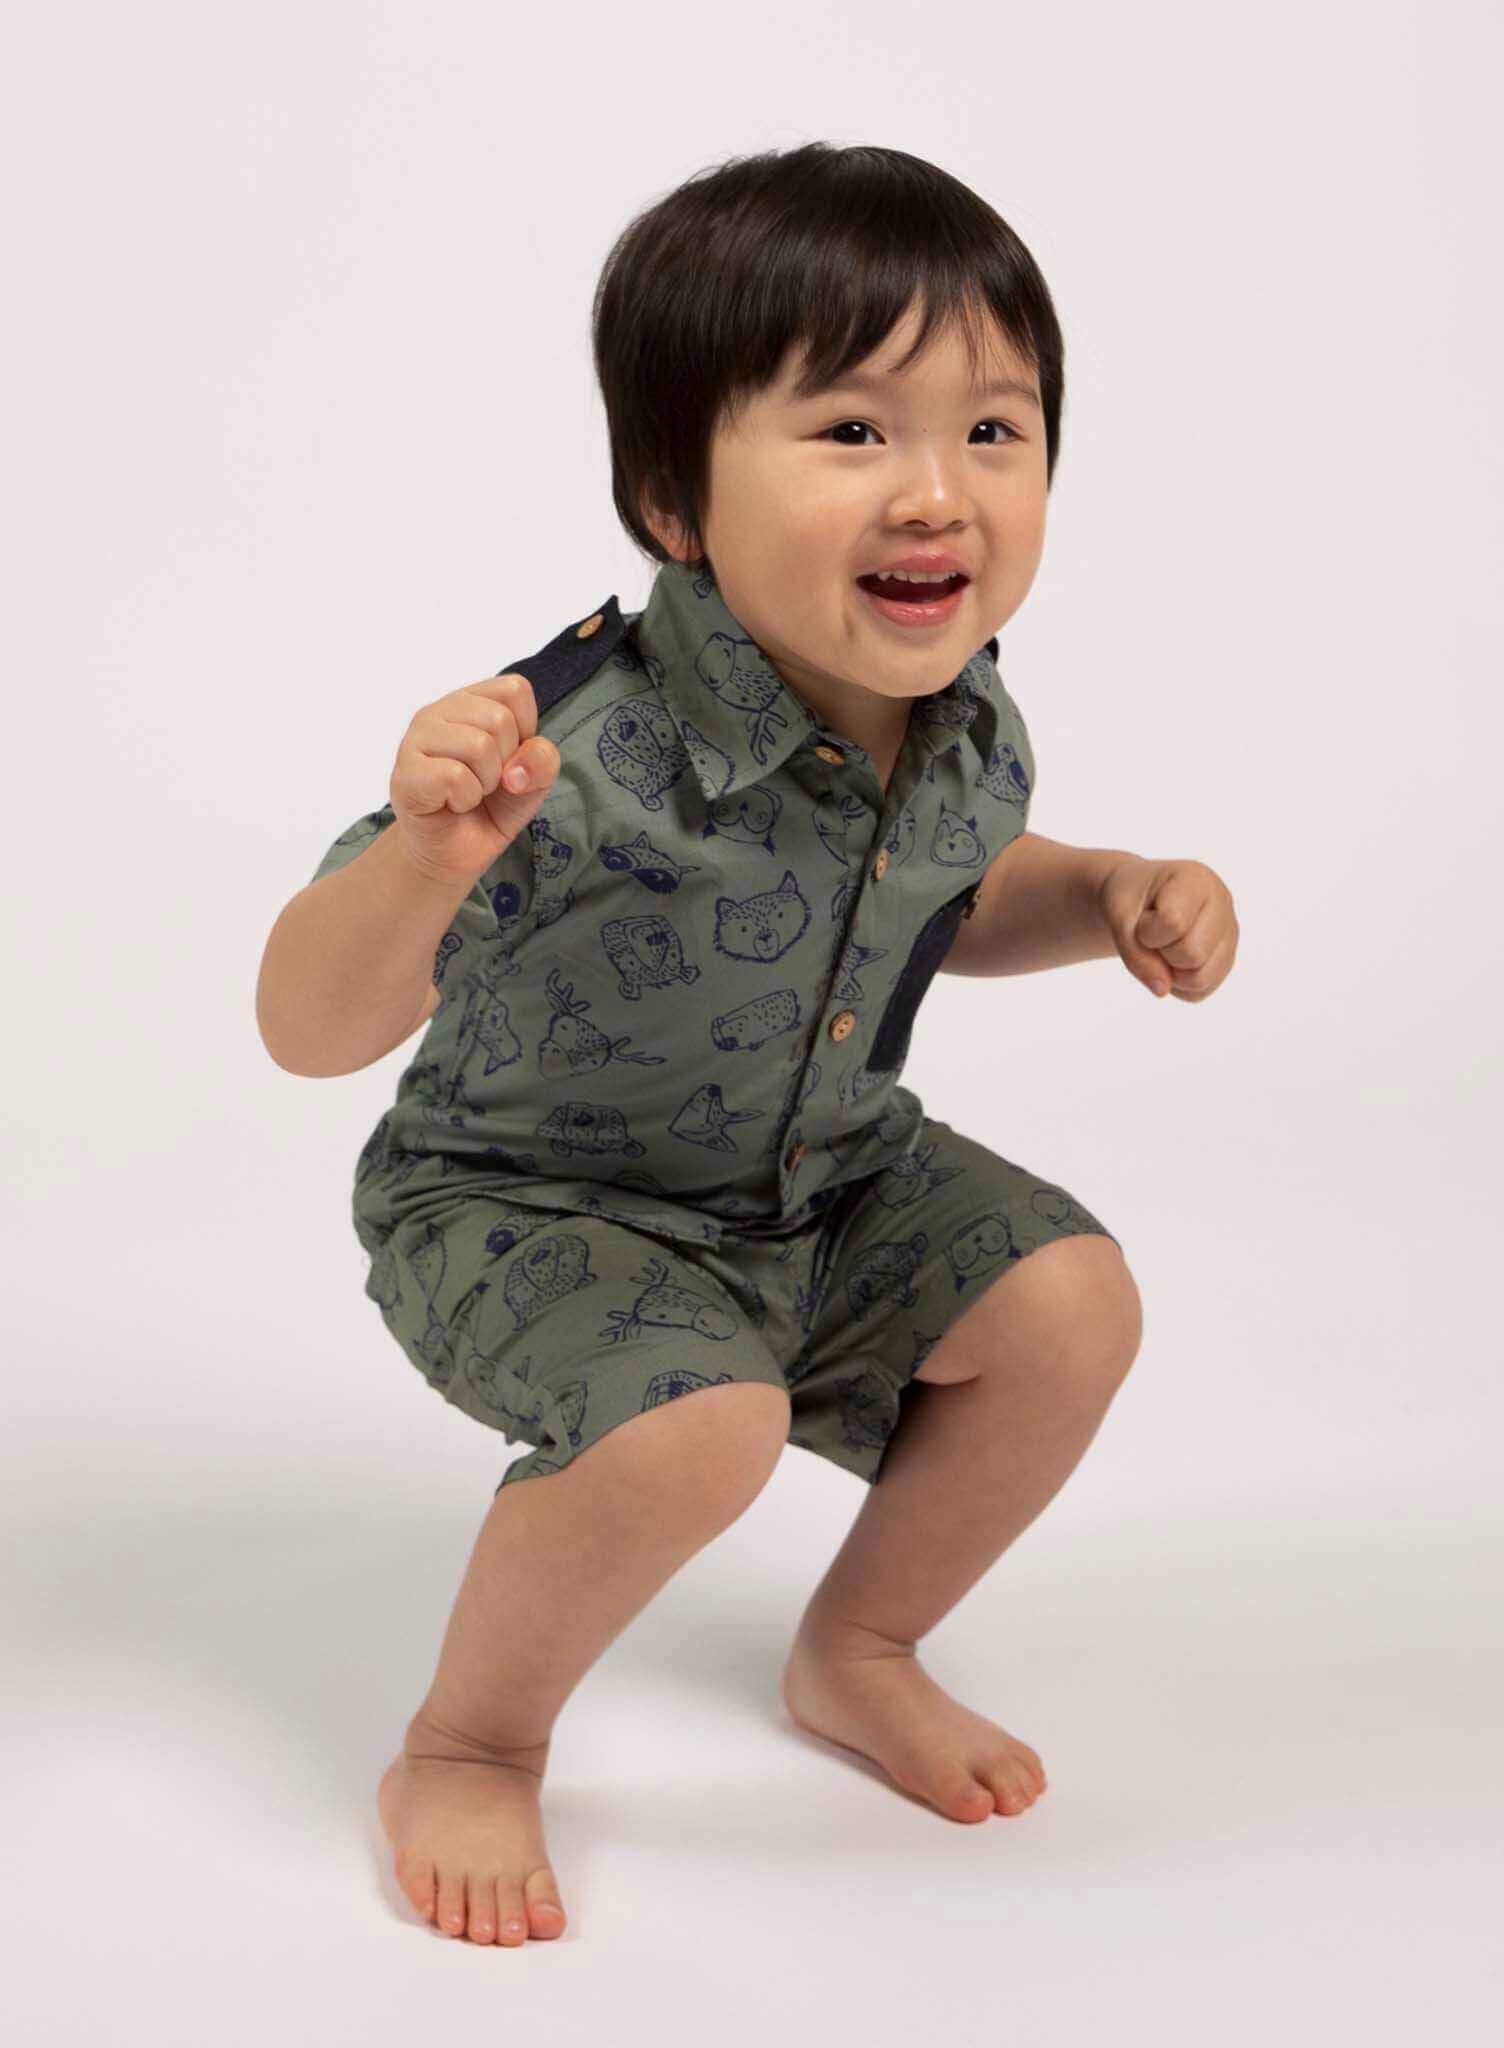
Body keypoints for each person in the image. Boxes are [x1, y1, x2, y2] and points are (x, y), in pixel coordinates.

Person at [255, 140, 1239, 1949]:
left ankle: (859, 1648)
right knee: (700, 1426)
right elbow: (306, 1026)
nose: (937, 492)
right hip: (532, 1206)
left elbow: (949, 887)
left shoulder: (962, 722)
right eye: (855, 433)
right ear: (674, 498)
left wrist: (1102, 890)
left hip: (820, 1183)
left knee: (1071, 1303)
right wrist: (420, 860)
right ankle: (470, 1738)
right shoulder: (556, 751)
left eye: (995, 431)